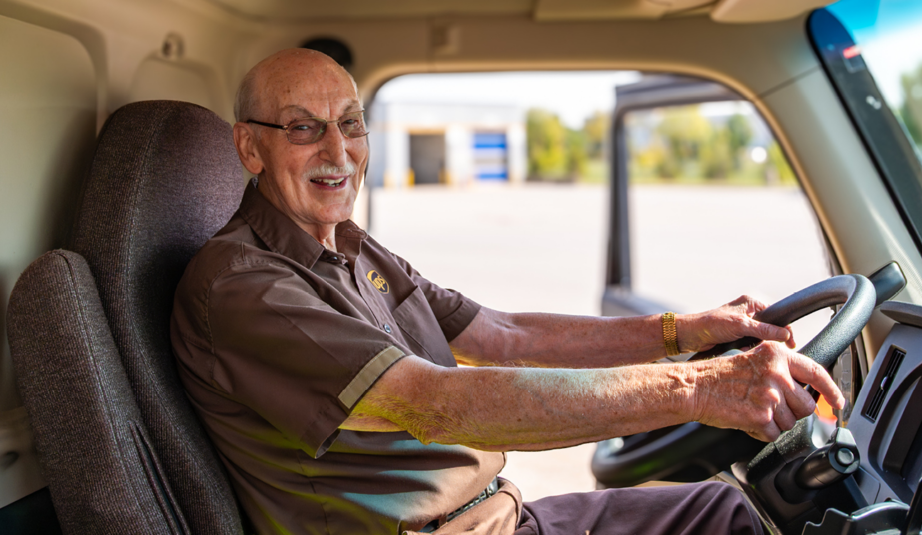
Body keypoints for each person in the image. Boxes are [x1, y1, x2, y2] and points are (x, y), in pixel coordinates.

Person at [170, 48, 845, 535]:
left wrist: (684, 332)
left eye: (350, 123)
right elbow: (436, 405)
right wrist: (702, 388)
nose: (338, 151)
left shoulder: (350, 245)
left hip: (498, 514)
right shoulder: (243, 286)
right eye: (302, 127)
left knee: (735, 511)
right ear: (250, 149)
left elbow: (502, 336)